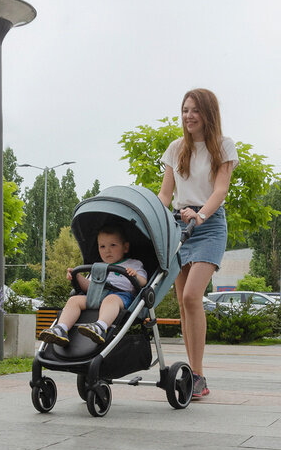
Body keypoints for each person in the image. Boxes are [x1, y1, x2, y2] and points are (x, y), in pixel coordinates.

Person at [158, 88, 239, 399]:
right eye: (185, 110)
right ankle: (191, 374)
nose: (188, 115)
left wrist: (201, 215)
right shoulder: (176, 148)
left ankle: (199, 374)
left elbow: (220, 191)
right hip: (179, 226)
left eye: (194, 110)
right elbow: (166, 195)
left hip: (209, 224)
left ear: (208, 114)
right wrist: (151, 216)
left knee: (193, 296)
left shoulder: (223, 147)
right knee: (182, 304)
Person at [38, 225, 147, 347]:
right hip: (96, 294)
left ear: (125, 247)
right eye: (102, 246)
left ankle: (100, 327)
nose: (107, 250)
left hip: (120, 296)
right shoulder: (97, 267)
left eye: (113, 245)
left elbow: (143, 283)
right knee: (74, 300)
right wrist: (77, 277)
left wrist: (135, 276)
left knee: (110, 300)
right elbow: (88, 287)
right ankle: (61, 329)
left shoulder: (133, 263)